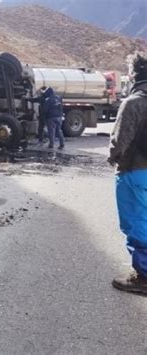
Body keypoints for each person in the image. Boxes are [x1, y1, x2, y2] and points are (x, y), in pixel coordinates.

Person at [109, 53, 147, 294]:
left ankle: (143, 276)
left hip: (135, 170)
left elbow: (119, 141)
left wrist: (113, 158)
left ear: (135, 75)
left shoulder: (133, 102)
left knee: (136, 222)